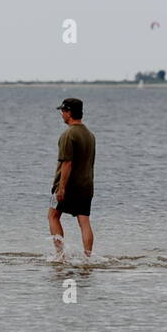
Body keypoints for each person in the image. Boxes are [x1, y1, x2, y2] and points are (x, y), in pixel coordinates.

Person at [48, 98, 96, 259]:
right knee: (84, 221)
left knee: (53, 216)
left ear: (69, 112)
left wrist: (61, 187)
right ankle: (88, 257)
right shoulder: (90, 134)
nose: (61, 114)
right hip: (86, 185)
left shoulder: (68, 135)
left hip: (69, 185)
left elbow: (67, 163)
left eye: (63, 111)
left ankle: (60, 255)